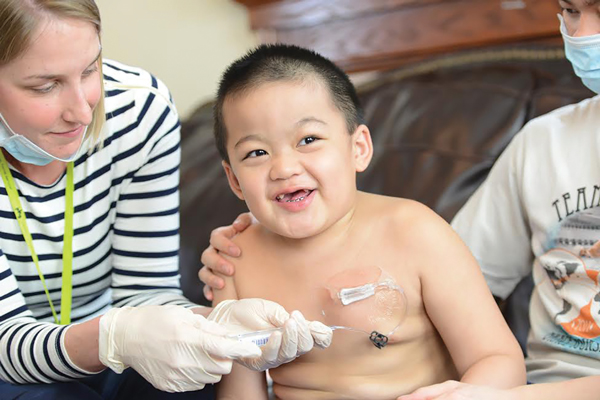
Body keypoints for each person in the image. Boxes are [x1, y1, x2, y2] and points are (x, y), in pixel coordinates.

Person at [201, 1, 600, 399]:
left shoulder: (413, 231)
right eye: (256, 153)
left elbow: (496, 359)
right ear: (234, 179)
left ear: (358, 148)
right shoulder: (233, 262)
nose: (284, 167)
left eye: (308, 140)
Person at [0, 1, 332, 399]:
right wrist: (115, 337)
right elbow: (5, 345)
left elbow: (144, 292)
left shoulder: (137, 109)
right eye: (45, 86)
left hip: (116, 353)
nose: (83, 112)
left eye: (90, 69)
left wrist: (216, 325)